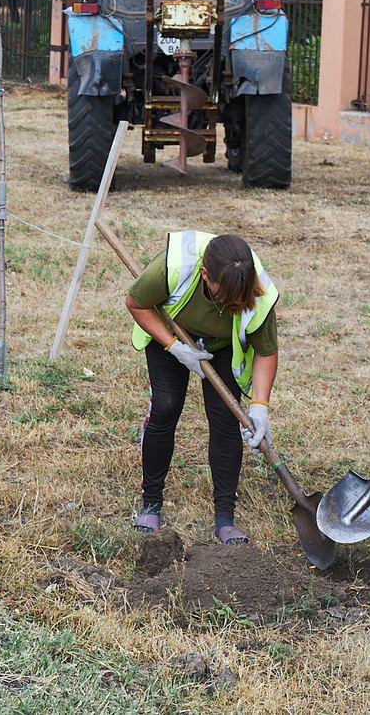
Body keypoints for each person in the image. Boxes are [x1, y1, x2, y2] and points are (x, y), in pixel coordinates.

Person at [125, 231, 280, 545]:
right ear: (206, 276)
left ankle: (225, 519)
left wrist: (260, 406)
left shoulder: (257, 287)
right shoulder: (172, 267)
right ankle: (151, 503)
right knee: (166, 407)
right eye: (228, 298)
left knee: (225, 420)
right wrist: (174, 348)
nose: (236, 303)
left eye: (241, 299)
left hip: (223, 348)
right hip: (170, 334)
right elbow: (137, 303)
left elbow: (266, 351)